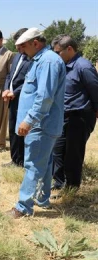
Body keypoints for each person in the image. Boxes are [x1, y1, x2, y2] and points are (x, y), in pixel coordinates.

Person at [7, 28, 66, 218]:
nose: (21, 51)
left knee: (33, 164)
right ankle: (42, 198)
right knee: (45, 162)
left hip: (40, 124)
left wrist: (29, 120)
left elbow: (44, 97)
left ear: (35, 43)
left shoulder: (48, 61)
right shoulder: (39, 60)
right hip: (40, 124)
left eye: (23, 46)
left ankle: (23, 207)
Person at [51, 35, 98, 190]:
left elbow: (95, 91)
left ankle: (71, 187)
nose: (56, 55)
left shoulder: (83, 67)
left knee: (73, 154)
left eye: (58, 52)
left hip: (79, 117)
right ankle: (59, 182)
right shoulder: (63, 66)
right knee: (58, 150)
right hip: (63, 116)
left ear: (69, 49)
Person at [2, 28, 32, 167]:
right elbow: (9, 75)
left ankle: (23, 160)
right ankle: (15, 159)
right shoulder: (17, 57)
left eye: (20, 45)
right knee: (13, 129)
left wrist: (16, 92)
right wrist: (6, 89)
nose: (18, 48)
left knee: (22, 130)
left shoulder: (32, 59)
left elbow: (28, 81)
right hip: (12, 100)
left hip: (23, 100)